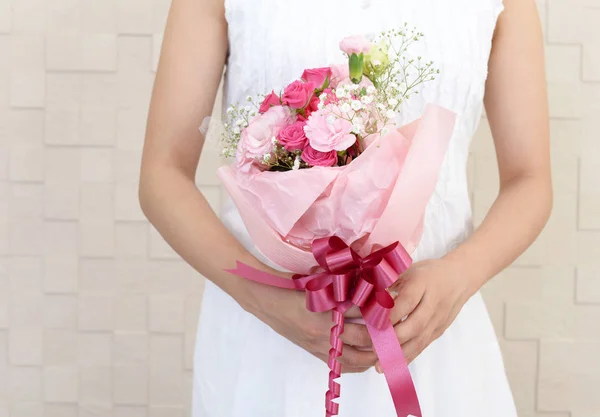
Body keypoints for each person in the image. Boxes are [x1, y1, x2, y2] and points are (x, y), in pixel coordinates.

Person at [139, 0, 552, 415]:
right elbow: (164, 174)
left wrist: (462, 275)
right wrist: (264, 297)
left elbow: (529, 181)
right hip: (266, 335)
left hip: (431, 335)